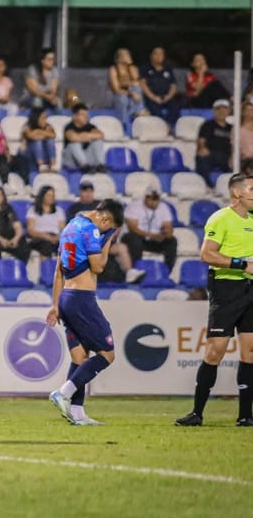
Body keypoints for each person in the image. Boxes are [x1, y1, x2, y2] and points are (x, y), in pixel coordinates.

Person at [175, 172, 253, 427]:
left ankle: (245, 416)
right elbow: (207, 254)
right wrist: (243, 264)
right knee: (215, 351)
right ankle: (197, 412)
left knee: (250, 350)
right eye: (252, 189)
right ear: (237, 193)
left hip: (250, 290)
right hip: (226, 289)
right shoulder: (220, 218)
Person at [47, 199, 126, 425]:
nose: (104, 232)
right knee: (107, 354)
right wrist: (109, 238)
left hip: (66, 298)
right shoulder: (91, 228)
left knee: (80, 357)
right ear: (104, 219)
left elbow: (58, 271)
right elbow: (98, 267)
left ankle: (78, 414)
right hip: (82, 298)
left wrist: (54, 305)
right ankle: (63, 392)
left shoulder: (70, 226)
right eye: (108, 227)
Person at [66, 181, 145, 284]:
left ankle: (129, 273)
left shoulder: (101, 206)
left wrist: (110, 236)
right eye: (85, 191)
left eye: (90, 191)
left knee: (121, 248)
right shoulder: (74, 208)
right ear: (80, 193)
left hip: (103, 240)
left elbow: (116, 221)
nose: (88, 194)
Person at [122, 186, 178, 273]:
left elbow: (167, 225)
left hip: (154, 238)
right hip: (137, 236)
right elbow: (133, 228)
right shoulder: (134, 206)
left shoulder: (163, 207)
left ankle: (167, 271)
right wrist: (151, 235)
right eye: (152, 198)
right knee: (134, 240)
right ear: (146, 197)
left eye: (156, 199)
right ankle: (134, 271)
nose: (154, 202)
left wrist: (166, 232)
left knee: (172, 241)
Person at [0, 185, 29, 264]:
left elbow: (17, 226)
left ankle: (21, 269)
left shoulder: (8, 208)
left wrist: (16, 239)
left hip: (7, 235)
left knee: (23, 245)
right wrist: (1, 240)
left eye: (0, 195)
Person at [139, 46, 180, 129]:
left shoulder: (168, 69)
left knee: (175, 107)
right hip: (151, 98)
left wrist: (168, 96)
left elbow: (173, 85)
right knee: (155, 110)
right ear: (151, 56)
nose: (158, 56)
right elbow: (143, 85)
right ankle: (161, 128)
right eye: (156, 54)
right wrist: (154, 98)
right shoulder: (145, 68)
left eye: (161, 54)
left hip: (166, 97)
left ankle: (171, 127)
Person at [196, 99, 232, 186]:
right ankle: (207, 186)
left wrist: (233, 157)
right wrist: (202, 148)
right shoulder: (207, 125)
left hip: (227, 156)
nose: (221, 111)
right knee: (202, 158)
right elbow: (201, 141)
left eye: (224, 109)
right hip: (211, 154)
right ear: (214, 111)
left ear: (229, 111)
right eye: (218, 109)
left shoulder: (232, 128)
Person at [62, 103, 106, 173]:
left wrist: (85, 135)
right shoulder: (69, 127)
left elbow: (101, 135)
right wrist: (89, 136)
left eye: (86, 115)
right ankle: (84, 166)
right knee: (74, 144)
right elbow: (73, 138)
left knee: (98, 141)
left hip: (86, 157)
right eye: (83, 115)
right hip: (71, 161)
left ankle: (101, 165)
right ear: (75, 116)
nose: (86, 117)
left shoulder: (89, 126)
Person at [108, 48, 146, 126]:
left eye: (128, 54)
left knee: (136, 87)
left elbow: (138, 82)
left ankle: (138, 112)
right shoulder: (113, 69)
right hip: (118, 95)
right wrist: (131, 93)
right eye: (125, 54)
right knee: (123, 99)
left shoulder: (132, 68)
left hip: (132, 96)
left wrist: (130, 65)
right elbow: (116, 89)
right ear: (119, 58)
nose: (128, 56)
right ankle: (124, 124)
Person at [26, 185, 66, 258]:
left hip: (55, 237)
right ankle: (45, 268)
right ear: (42, 196)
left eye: (53, 195)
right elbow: (30, 230)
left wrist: (57, 237)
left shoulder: (59, 211)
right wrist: (46, 236)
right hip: (39, 237)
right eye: (49, 195)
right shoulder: (32, 210)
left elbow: (63, 229)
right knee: (46, 245)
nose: (51, 197)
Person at [22, 107, 57, 174]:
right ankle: (41, 165)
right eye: (43, 118)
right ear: (36, 118)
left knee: (50, 141)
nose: (45, 120)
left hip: (44, 152)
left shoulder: (47, 126)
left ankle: (53, 165)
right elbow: (31, 136)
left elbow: (53, 135)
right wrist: (45, 135)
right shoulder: (28, 126)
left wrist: (38, 131)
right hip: (30, 154)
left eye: (46, 118)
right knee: (37, 142)